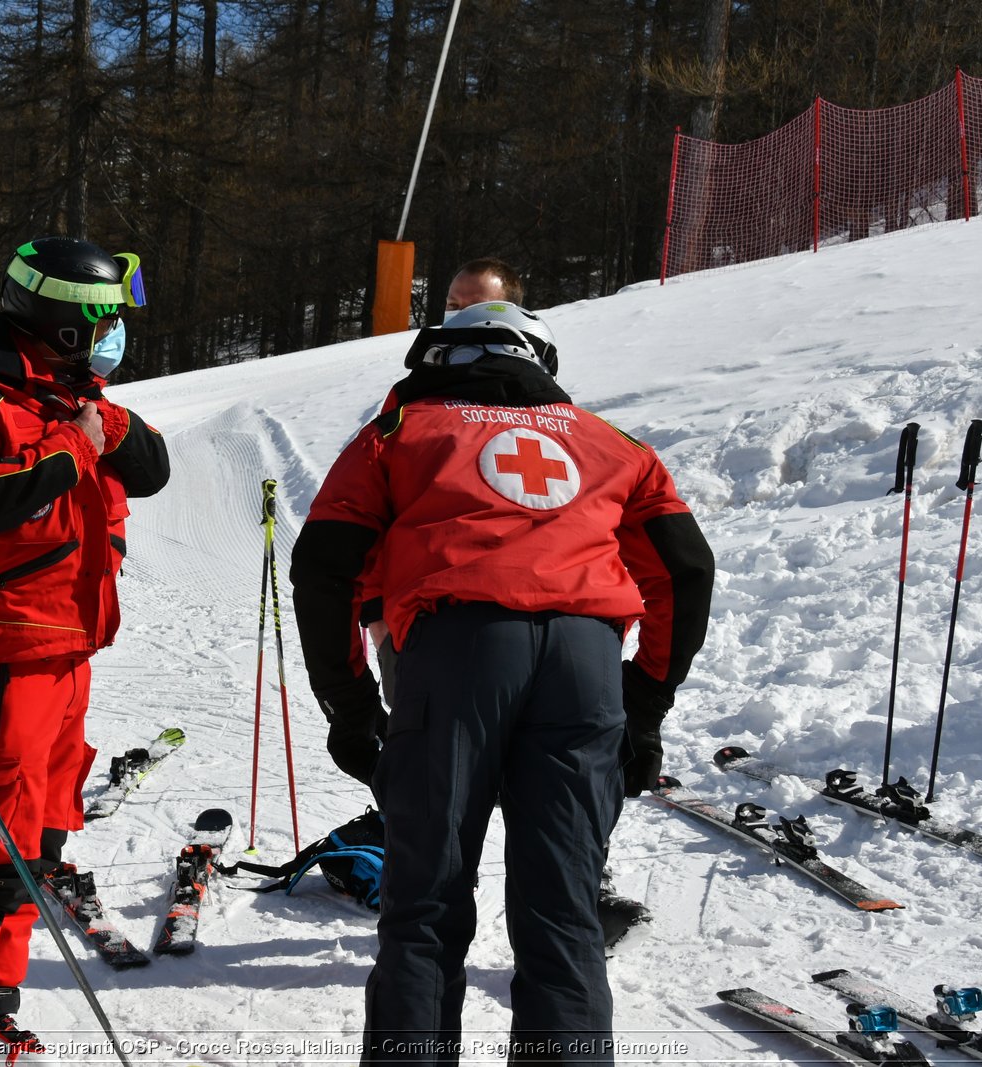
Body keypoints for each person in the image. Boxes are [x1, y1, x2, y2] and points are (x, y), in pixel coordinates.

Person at [290, 302, 714, 1065]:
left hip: (458, 653)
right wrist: (644, 705)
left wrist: (353, 709)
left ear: (435, 358)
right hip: (586, 662)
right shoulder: (611, 441)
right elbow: (686, 570)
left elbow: (324, 566)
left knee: (426, 905)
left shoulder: (400, 430)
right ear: (539, 362)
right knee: (565, 908)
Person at [0, 236, 170, 1066]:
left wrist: (101, 425)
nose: (114, 336)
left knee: (37, 852)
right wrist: (74, 446)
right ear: (63, 326)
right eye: (105, 321)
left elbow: (153, 467)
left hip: (69, 658)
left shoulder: (79, 402)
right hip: (4, 659)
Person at [363, 258, 525, 705]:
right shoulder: (412, 397)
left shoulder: (538, 397)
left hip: (530, 614)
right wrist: (378, 616)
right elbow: (380, 508)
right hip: (426, 621)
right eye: (453, 306)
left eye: (477, 306)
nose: (461, 317)